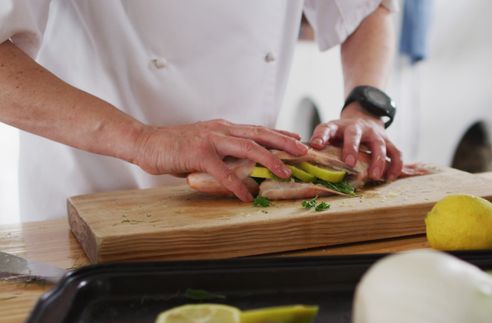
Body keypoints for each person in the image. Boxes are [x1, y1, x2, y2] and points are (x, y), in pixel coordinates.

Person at [0, 1, 403, 222]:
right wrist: (142, 139)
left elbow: (366, 7)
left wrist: (365, 107)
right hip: (93, 205)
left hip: (243, 211)